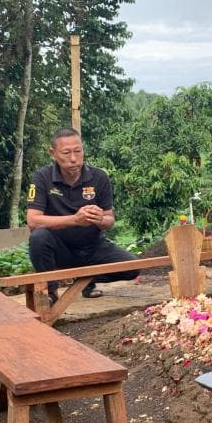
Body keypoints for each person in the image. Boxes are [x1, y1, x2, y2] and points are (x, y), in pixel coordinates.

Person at [26, 127, 139, 305]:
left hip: (93, 248)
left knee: (132, 267)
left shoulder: (99, 177)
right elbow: (33, 220)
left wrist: (101, 219)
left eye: (78, 151)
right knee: (38, 236)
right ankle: (50, 290)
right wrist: (74, 219)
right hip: (60, 250)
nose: (73, 158)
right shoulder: (42, 177)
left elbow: (110, 219)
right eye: (66, 152)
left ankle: (86, 279)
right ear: (52, 153)